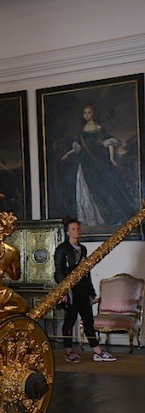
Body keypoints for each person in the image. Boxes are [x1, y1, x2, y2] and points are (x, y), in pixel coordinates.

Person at [60, 104, 134, 228]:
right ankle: (91, 217)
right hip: (85, 163)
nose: (87, 115)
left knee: (102, 188)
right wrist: (67, 153)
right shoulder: (82, 130)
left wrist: (111, 158)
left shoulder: (99, 128)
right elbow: (79, 147)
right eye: (85, 113)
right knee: (86, 188)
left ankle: (109, 216)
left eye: (89, 112)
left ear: (93, 113)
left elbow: (109, 142)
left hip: (97, 163)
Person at [53, 216, 116, 363]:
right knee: (69, 321)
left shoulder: (83, 249)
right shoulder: (62, 249)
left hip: (82, 290)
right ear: (68, 232)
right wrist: (63, 292)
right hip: (70, 291)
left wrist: (91, 291)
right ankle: (69, 352)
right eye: (73, 229)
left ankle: (97, 351)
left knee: (88, 320)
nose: (77, 231)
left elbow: (86, 273)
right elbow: (59, 272)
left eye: (78, 228)